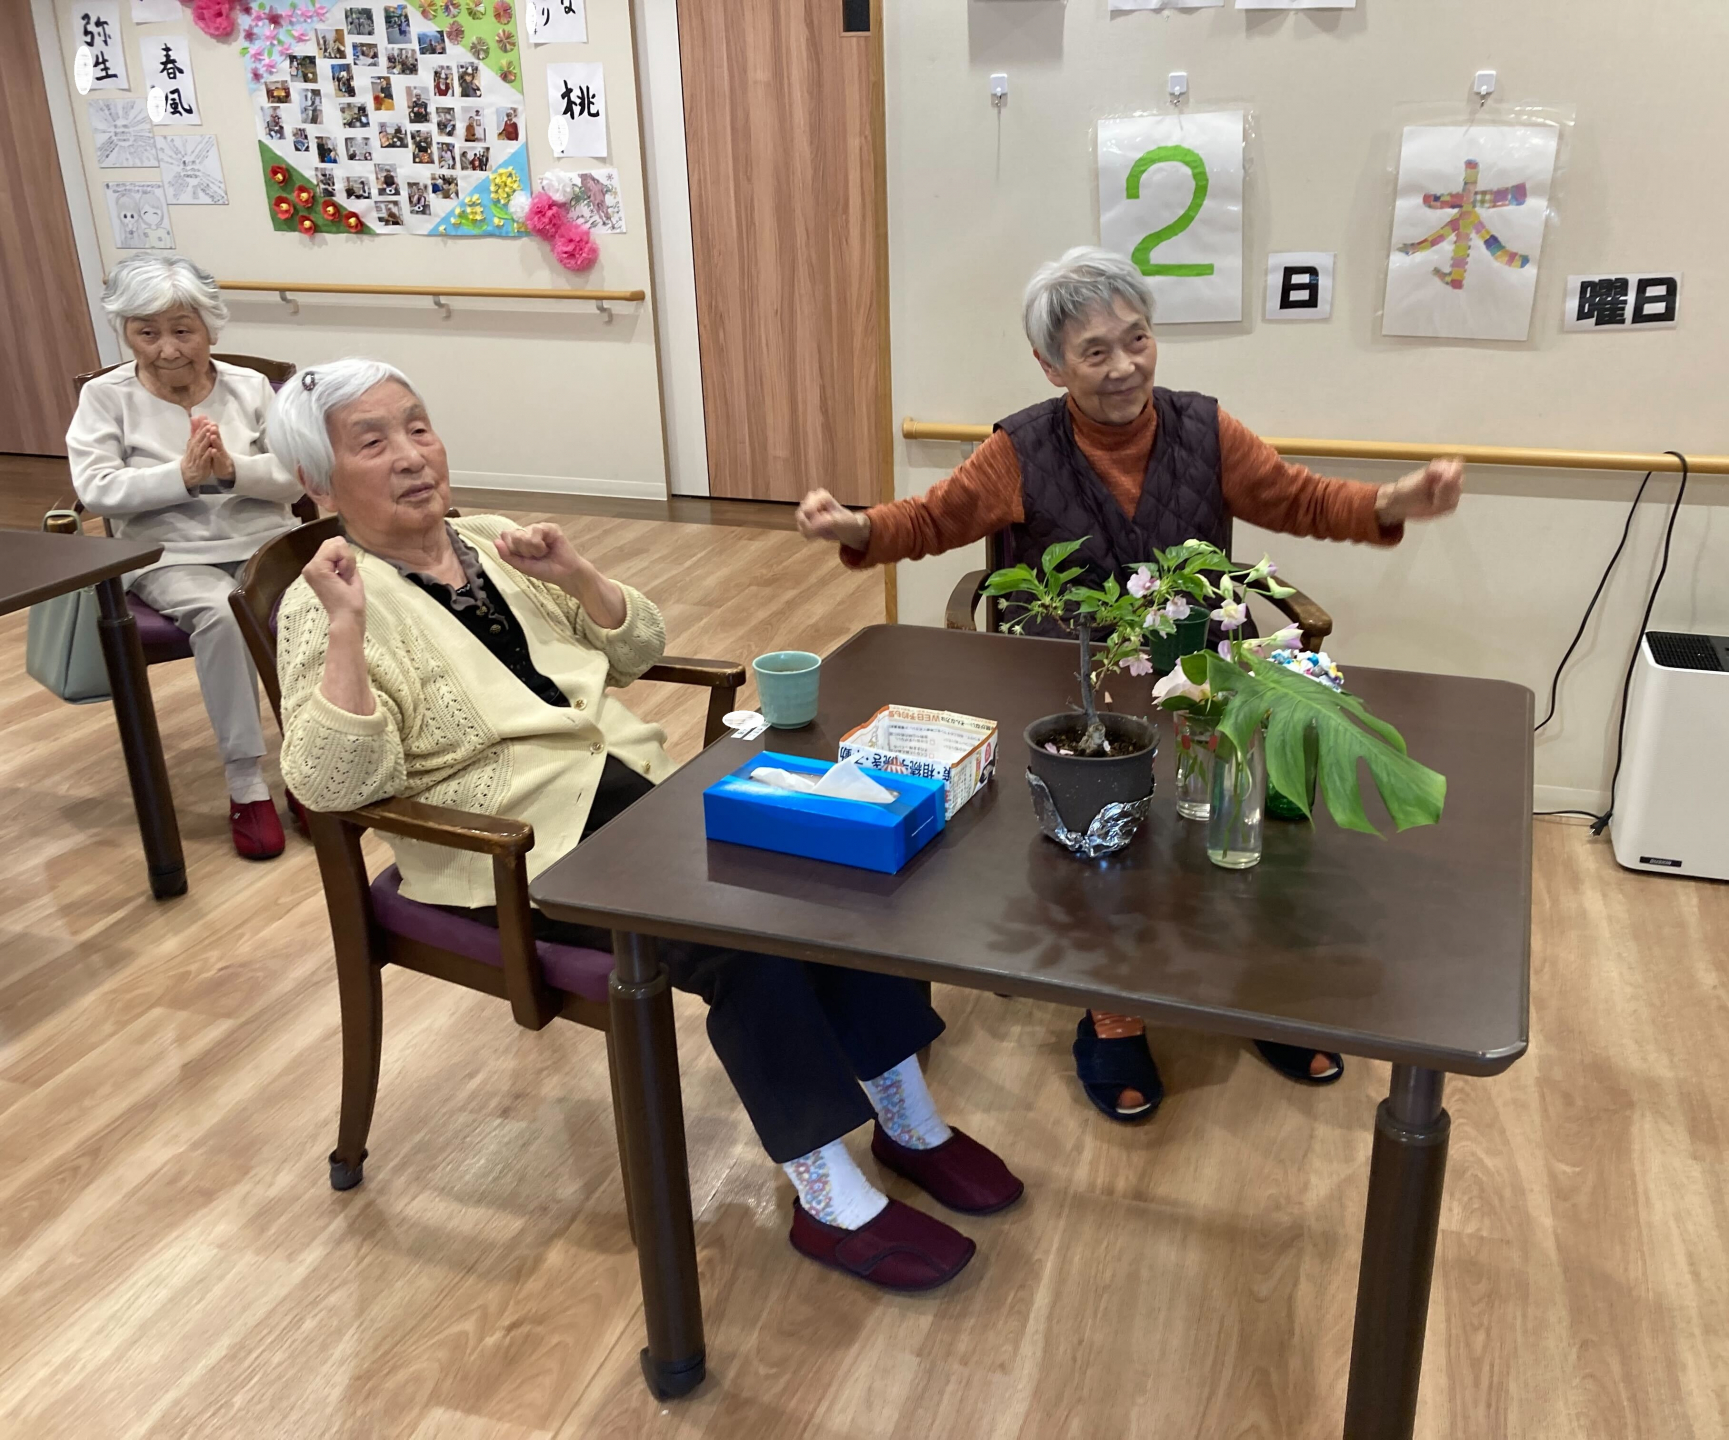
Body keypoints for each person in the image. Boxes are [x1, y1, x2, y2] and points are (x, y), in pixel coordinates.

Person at [269, 358, 1021, 1291]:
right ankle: (828, 1197)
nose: (412, 455)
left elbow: (639, 648)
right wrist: (347, 628)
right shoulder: (324, 602)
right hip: (515, 849)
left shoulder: (491, 539)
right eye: (372, 441)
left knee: (832, 867)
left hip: (636, 793)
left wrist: (576, 573)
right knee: (740, 937)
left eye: (418, 426)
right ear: (317, 481)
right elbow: (336, 785)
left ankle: (907, 1121)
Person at [795, 246, 1464, 1122]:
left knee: (1243, 829)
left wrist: (1391, 503)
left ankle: (1254, 997)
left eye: (1137, 339)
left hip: (1200, 673)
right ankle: (1112, 1010)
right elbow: (932, 520)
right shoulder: (1020, 447)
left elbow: (1298, 499)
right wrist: (855, 527)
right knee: (1102, 840)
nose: (1124, 366)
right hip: (1078, 684)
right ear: (1052, 366)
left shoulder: (1205, 429)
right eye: (1095, 352)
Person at [67, 255, 304, 860]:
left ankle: (310, 765)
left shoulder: (250, 387)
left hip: (264, 546)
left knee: (318, 608)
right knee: (223, 613)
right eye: (147, 333)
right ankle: (247, 785)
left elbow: (294, 478)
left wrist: (233, 469)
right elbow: (96, 489)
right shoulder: (105, 396)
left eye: (182, 330)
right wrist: (181, 476)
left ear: (210, 329)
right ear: (125, 333)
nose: (167, 349)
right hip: (168, 554)